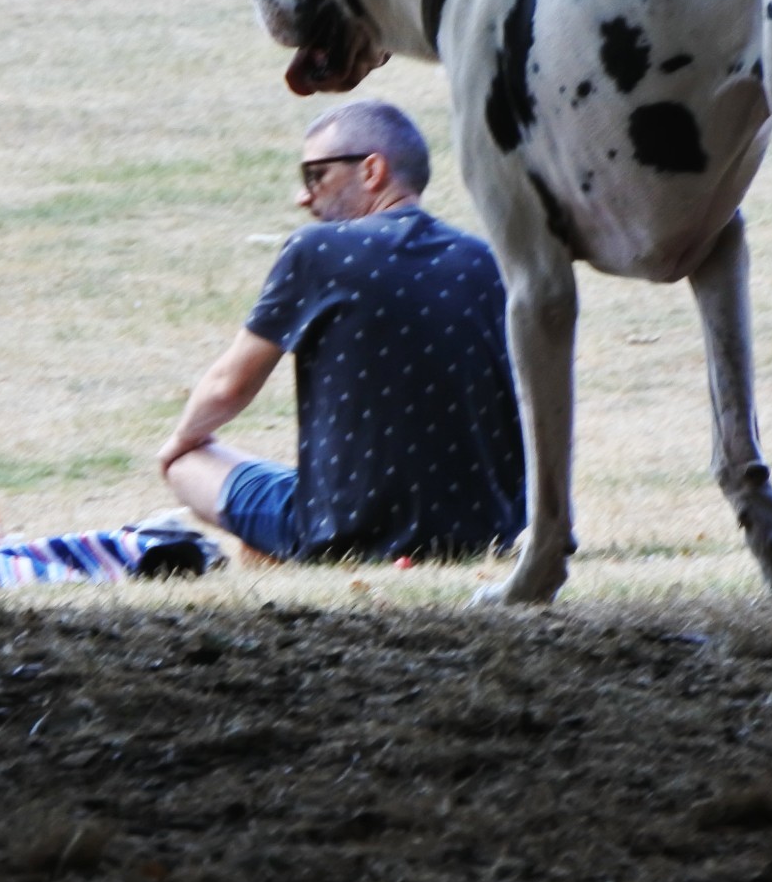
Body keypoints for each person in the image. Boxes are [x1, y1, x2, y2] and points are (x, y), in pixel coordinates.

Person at [157, 100, 526, 561]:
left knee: (187, 465)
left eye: (316, 175)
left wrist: (179, 442)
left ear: (372, 170)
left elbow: (228, 388)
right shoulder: (482, 258)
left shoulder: (320, 251)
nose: (304, 196)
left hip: (346, 531)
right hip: (483, 528)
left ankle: (276, 555)